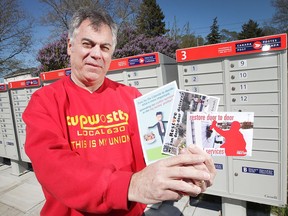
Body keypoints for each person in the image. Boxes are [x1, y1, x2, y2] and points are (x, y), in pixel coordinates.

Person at [23, 7, 216, 216]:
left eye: (105, 47)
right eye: (88, 44)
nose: (96, 54)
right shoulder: (45, 101)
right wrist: (131, 186)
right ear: (70, 46)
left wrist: (185, 172)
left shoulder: (131, 97)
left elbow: (154, 154)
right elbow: (55, 168)